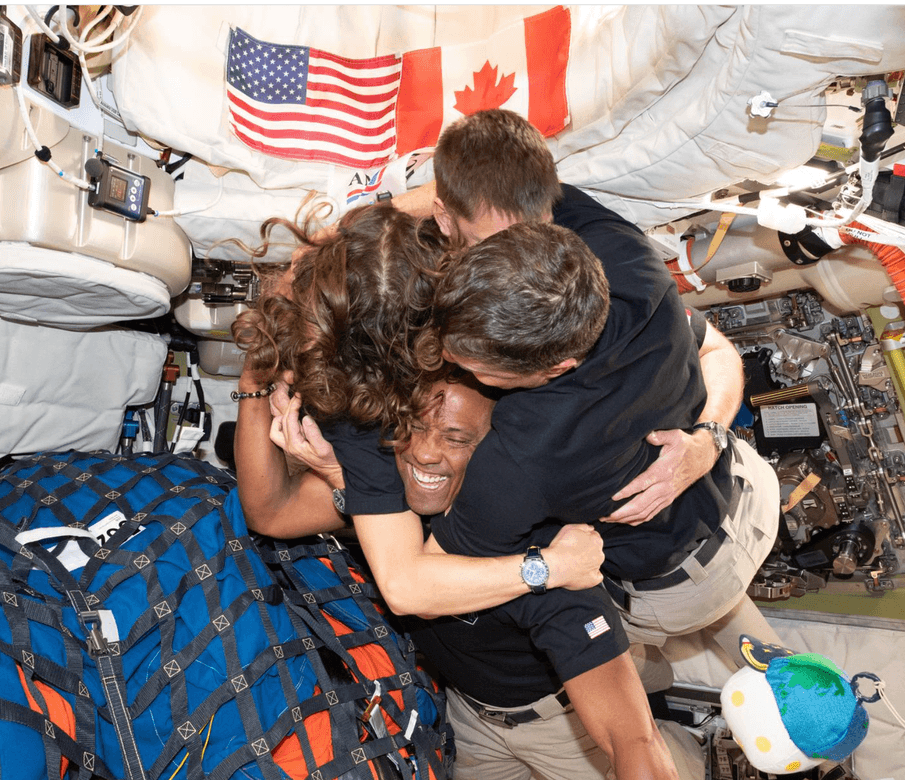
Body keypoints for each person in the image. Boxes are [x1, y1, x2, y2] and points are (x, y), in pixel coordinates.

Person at [270, 110, 781, 778]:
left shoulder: (522, 459)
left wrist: (346, 473)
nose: (449, 365)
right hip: (744, 495)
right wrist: (709, 439)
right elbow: (720, 351)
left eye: (473, 367)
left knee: (639, 665)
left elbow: (412, 584)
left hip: (670, 591)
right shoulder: (624, 262)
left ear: (546, 373)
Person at [231, 201, 610, 618]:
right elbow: (270, 514)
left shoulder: (517, 301)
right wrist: (254, 382)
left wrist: (555, 567)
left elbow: (405, 589)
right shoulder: (360, 423)